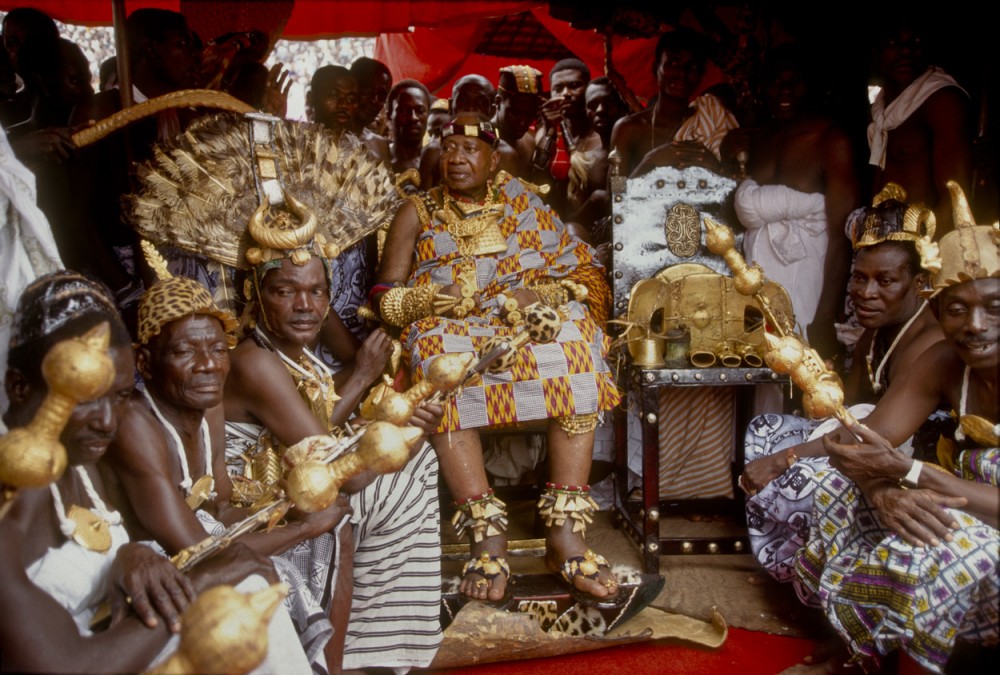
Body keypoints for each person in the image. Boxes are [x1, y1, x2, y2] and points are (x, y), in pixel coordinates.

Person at [0, 270, 306, 672]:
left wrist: (130, 554)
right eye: (86, 397)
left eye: (121, 396)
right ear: (19, 387)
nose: (108, 421)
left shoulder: (81, 465)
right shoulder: (13, 494)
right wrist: (205, 580)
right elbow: (66, 664)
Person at [375, 113, 621, 604]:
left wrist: (540, 294)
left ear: (493, 159)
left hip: (518, 319)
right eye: (448, 148)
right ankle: (486, 536)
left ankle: (565, 535)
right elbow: (384, 296)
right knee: (441, 361)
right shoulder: (417, 211)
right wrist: (429, 301)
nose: (456, 158)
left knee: (577, 348)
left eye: (469, 151)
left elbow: (576, 270)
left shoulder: (522, 202)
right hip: (448, 323)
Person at [791, 182, 998, 673]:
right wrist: (883, 487)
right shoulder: (948, 359)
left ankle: (911, 658)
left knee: (936, 545)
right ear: (938, 310)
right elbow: (859, 442)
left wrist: (910, 475)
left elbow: (901, 463)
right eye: (956, 308)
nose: (975, 325)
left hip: (974, 511)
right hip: (965, 501)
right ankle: (863, 644)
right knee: (836, 494)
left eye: (994, 307)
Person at [100, 270, 353, 673]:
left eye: (218, 350)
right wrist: (303, 528)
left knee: (332, 530)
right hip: (155, 566)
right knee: (290, 551)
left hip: (200, 543)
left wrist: (286, 513)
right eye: (185, 352)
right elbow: (197, 550)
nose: (208, 366)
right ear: (145, 362)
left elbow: (220, 510)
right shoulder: (135, 423)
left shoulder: (208, 407)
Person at [740, 186, 943, 588]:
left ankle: (828, 583)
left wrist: (785, 459)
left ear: (919, 283)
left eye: (885, 281)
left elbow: (876, 433)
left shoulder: (931, 343)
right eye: (860, 278)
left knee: (801, 474)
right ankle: (798, 568)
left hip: (899, 463)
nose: (866, 293)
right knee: (763, 429)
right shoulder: (876, 331)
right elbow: (848, 408)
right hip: (861, 443)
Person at [729, 44, 861, 357]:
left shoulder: (831, 140)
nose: (784, 90)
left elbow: (843, 237)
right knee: (762, 365)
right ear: (762, 87)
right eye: (775, 81)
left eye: (795, 81)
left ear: (810, 86)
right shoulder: (756, 140)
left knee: (805, 367)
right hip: (756, 274)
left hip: (811, 276)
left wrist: (826, 316)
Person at [867, 21, 973, 234]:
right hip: (883, 238)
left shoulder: (941, 101)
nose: (905, 51)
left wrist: (930, 255)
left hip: (923, 240)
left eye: (915, 43)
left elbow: (954, 196)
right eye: (893, 43)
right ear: (876, 54)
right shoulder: (880, 107)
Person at [611, 28, 738, 178]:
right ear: (656, 68)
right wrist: (649, 163)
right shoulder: (628, 129)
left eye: (693, 67)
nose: (682, 73)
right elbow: (616, 194)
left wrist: (716, 169)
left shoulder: (713, 121)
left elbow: (735, 190)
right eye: (673, 62)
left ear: (700, 77)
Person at [528, 58, 591, 216]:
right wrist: (550, 127)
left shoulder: (604, 128)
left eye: (574, 86)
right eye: (558, 88)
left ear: (588, 87)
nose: (565, 94)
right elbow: (538, 182)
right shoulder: (545, 131)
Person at [418, 73, 499, 189]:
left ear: (492, 110)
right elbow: (422, 203)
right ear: (451, 107)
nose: (470, 109)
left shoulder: (506, 154)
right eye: (463, 102)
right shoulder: (433, 152)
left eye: (480, 103)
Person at [309, 65, 389, 162]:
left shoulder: (367, 155)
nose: (343, 105)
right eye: (333, 95)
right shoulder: (294, 146)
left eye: (351, 99)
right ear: (312, 98)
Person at [494, 65, 543, 178]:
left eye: (530, 114)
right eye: (515, 113)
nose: (522, 122)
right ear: (498, 101)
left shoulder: (530, 142)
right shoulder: (479, 141)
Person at [387, 78, 430, 174]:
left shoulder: (436, 166)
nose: (413, 118)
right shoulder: (375, 159)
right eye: (404, 110)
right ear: (389, 116)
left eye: (420, 111)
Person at [350, 56, 392, 138]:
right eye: (367, 90)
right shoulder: (320, 139)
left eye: (382, 95)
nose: (374, 100)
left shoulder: (381, 148)